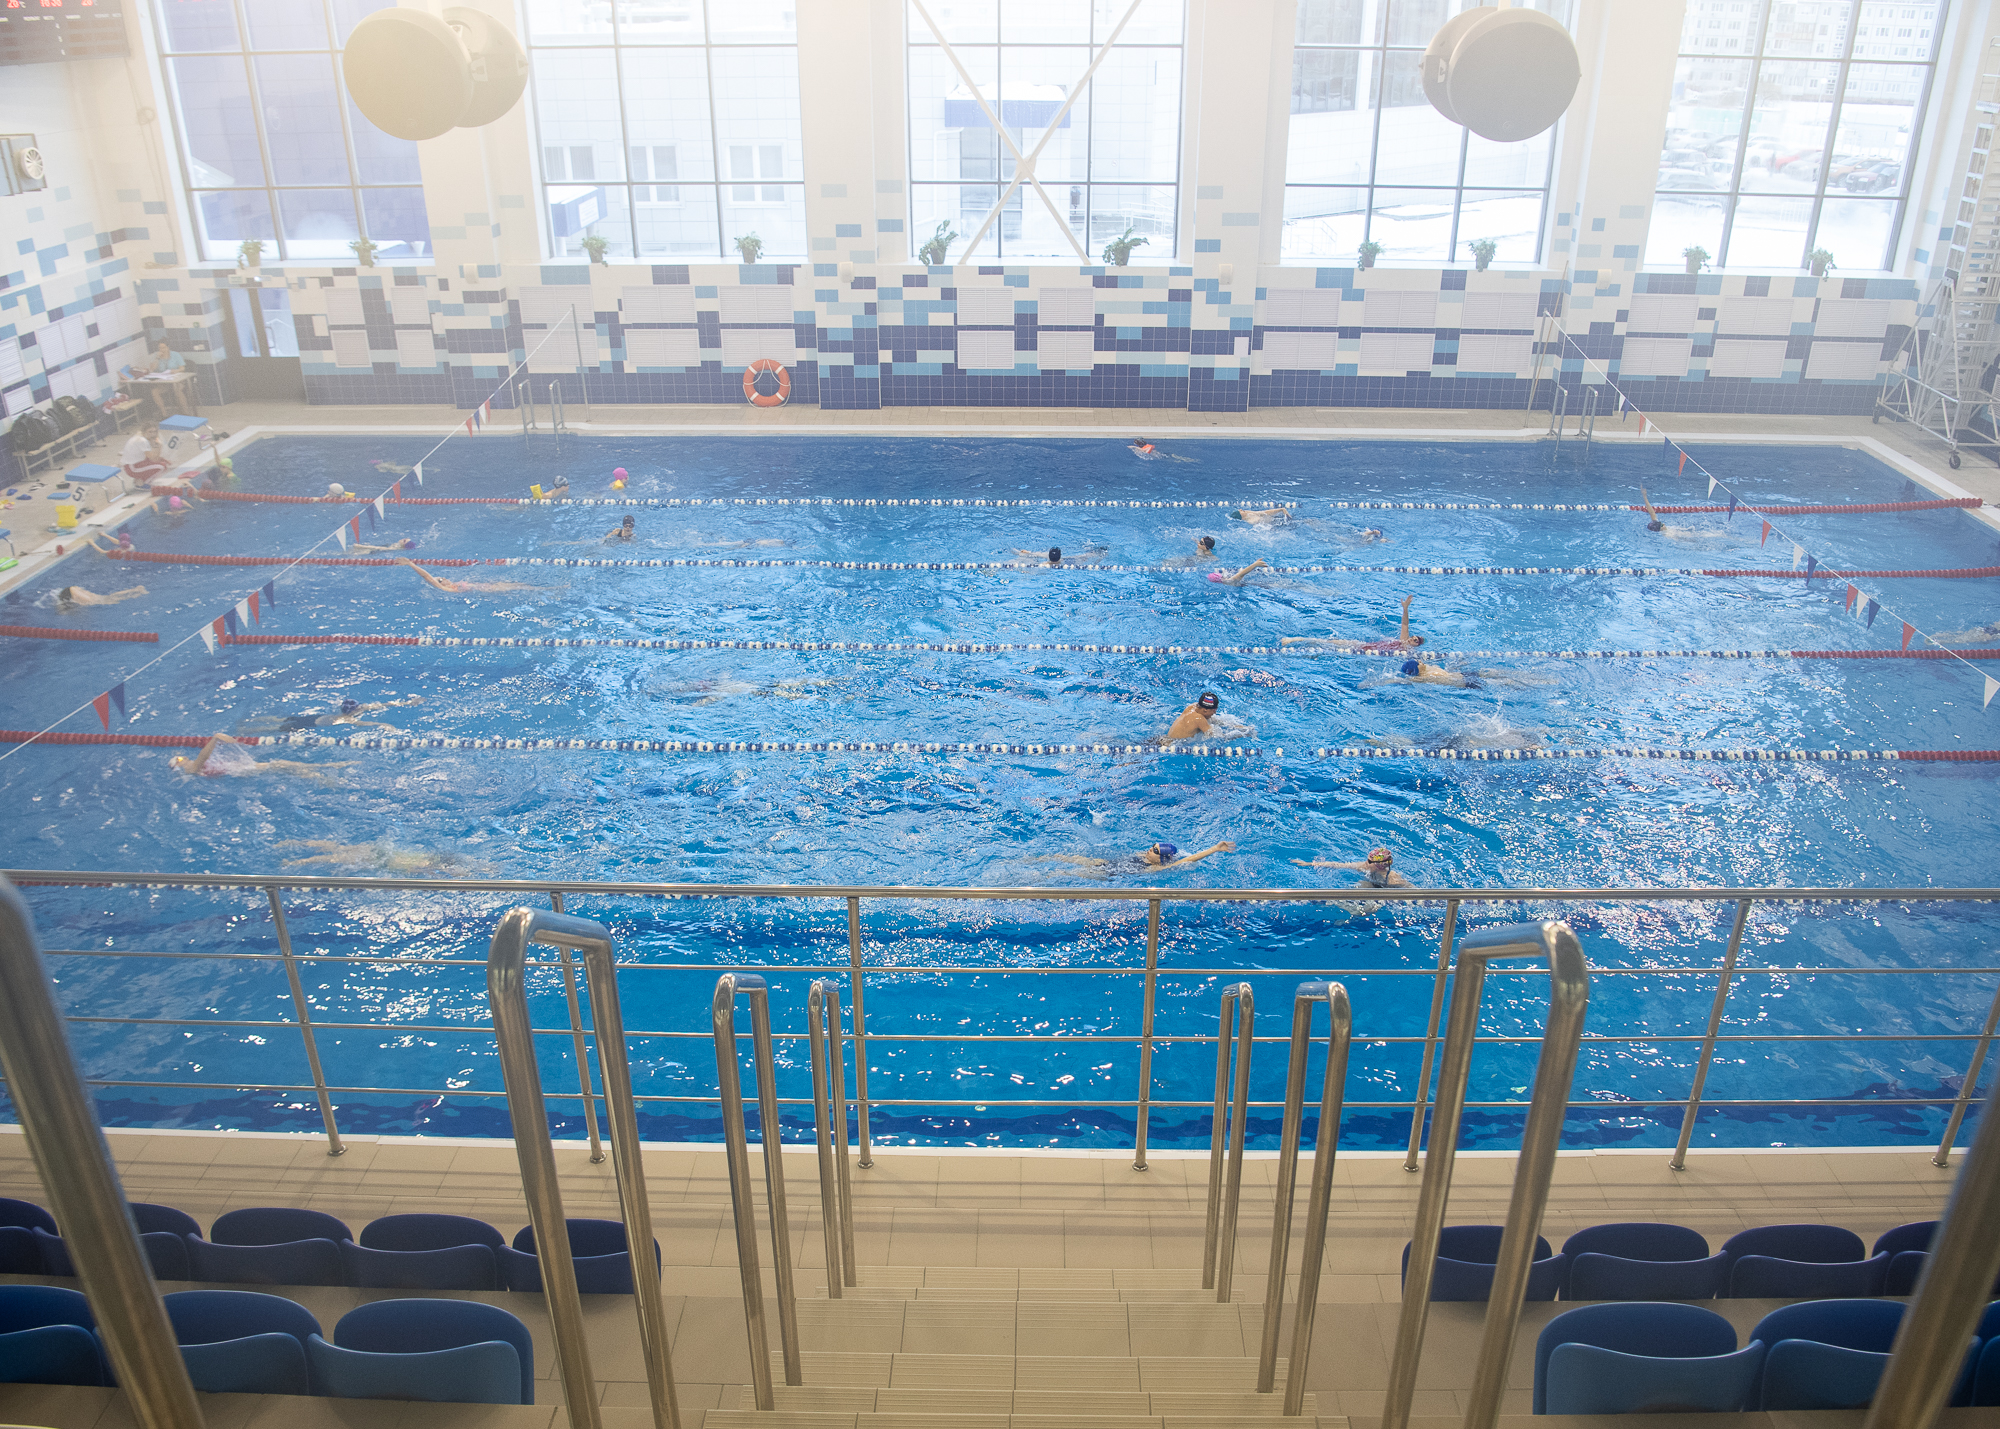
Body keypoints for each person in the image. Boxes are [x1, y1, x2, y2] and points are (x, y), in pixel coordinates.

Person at [169, 733, 355, 784]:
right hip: (243, 771)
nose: (183, 757)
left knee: (284, 766)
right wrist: (215, 738)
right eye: (180, 759)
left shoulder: (194, 769)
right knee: (282, 766)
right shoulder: (192, 769)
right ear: (179, 765)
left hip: (242, 769)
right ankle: (325, 777)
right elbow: (203, 756)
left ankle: (325, 769)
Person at [1282, 595, 1424, 652]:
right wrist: (1405, 608)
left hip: (1365, 652)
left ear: (1416, 646)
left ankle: (1300, 644)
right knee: (1329, 642)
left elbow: (1405, 626)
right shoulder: (1403, 641)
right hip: (1361, 646)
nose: (1411, 639)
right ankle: (1295, 639)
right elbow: (1405, 625)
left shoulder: (1407, 650)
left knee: (1328, 648)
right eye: (1413, 637)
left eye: (1415, 640)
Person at [1048, 840, 1237, 878]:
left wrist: (1214, 849)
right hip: (1107, 864)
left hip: (1108, 874)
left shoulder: (1155, 868)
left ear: (1161, 860)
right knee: (1065, 858)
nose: (1149, 849)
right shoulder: (1144, 857)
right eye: (1152, 846)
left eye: (1154, 850)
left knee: (1065, 873)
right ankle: (1038, 859)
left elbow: (1187, 860)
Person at [237, 696, 420, 735]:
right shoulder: (345, 719)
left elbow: (378, 705)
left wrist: (406, 703)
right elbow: (361, 724)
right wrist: (381, 725)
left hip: (314, 717)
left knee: (281, 720)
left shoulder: (344, 713)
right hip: (310, 725)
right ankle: (248, 731)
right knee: (276, 728)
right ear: (353, 710)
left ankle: (249, 722)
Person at [396, 557, 542, 594]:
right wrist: (411, 564)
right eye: (440, 580)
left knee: (522, 586)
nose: (444, 578)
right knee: (524, 588)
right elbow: (427, 577)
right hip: (490, 590)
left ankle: (549, 589)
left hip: (491, 586)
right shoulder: (449, 589)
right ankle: (550, 590)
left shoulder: (453, 585)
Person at [1291, 846, 1415, 888]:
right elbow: (1338, 865)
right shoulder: (1364, 866)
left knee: (1368, 906)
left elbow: (1411, 889)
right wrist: (1310, 863)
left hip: (1385, 890)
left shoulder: (1392, 878)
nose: (1365, 862)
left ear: (1379, 866)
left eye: (1369, 861)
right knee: (1359, 886)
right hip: (1373, 885)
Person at [1388, 658, 1483, 690]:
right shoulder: (1422, 678)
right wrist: (1387, 681)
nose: (1420, 661)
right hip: (1466, 683)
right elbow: (1403, 681)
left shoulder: (1427, 668)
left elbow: (1446, 672)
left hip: (1463, 674)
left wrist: (1457, 666)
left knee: (1486, 672)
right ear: (1417, 668)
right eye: (1418, 663)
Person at [58, 584, 148, 608]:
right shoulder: (73, 590)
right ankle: (135, 590)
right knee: (111, 597)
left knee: (111, 598)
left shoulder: (73, 591)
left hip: (97, 600)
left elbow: (87, 600)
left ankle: (136, 590)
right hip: (98, 600)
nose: (85, 591)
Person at [350, 538, 416, 553]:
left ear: (404, 546)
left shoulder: (393, 549)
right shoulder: (397, 546)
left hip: (369, 552)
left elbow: (377, 548)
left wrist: (360, 546)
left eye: (404, 540)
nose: (402, 539)